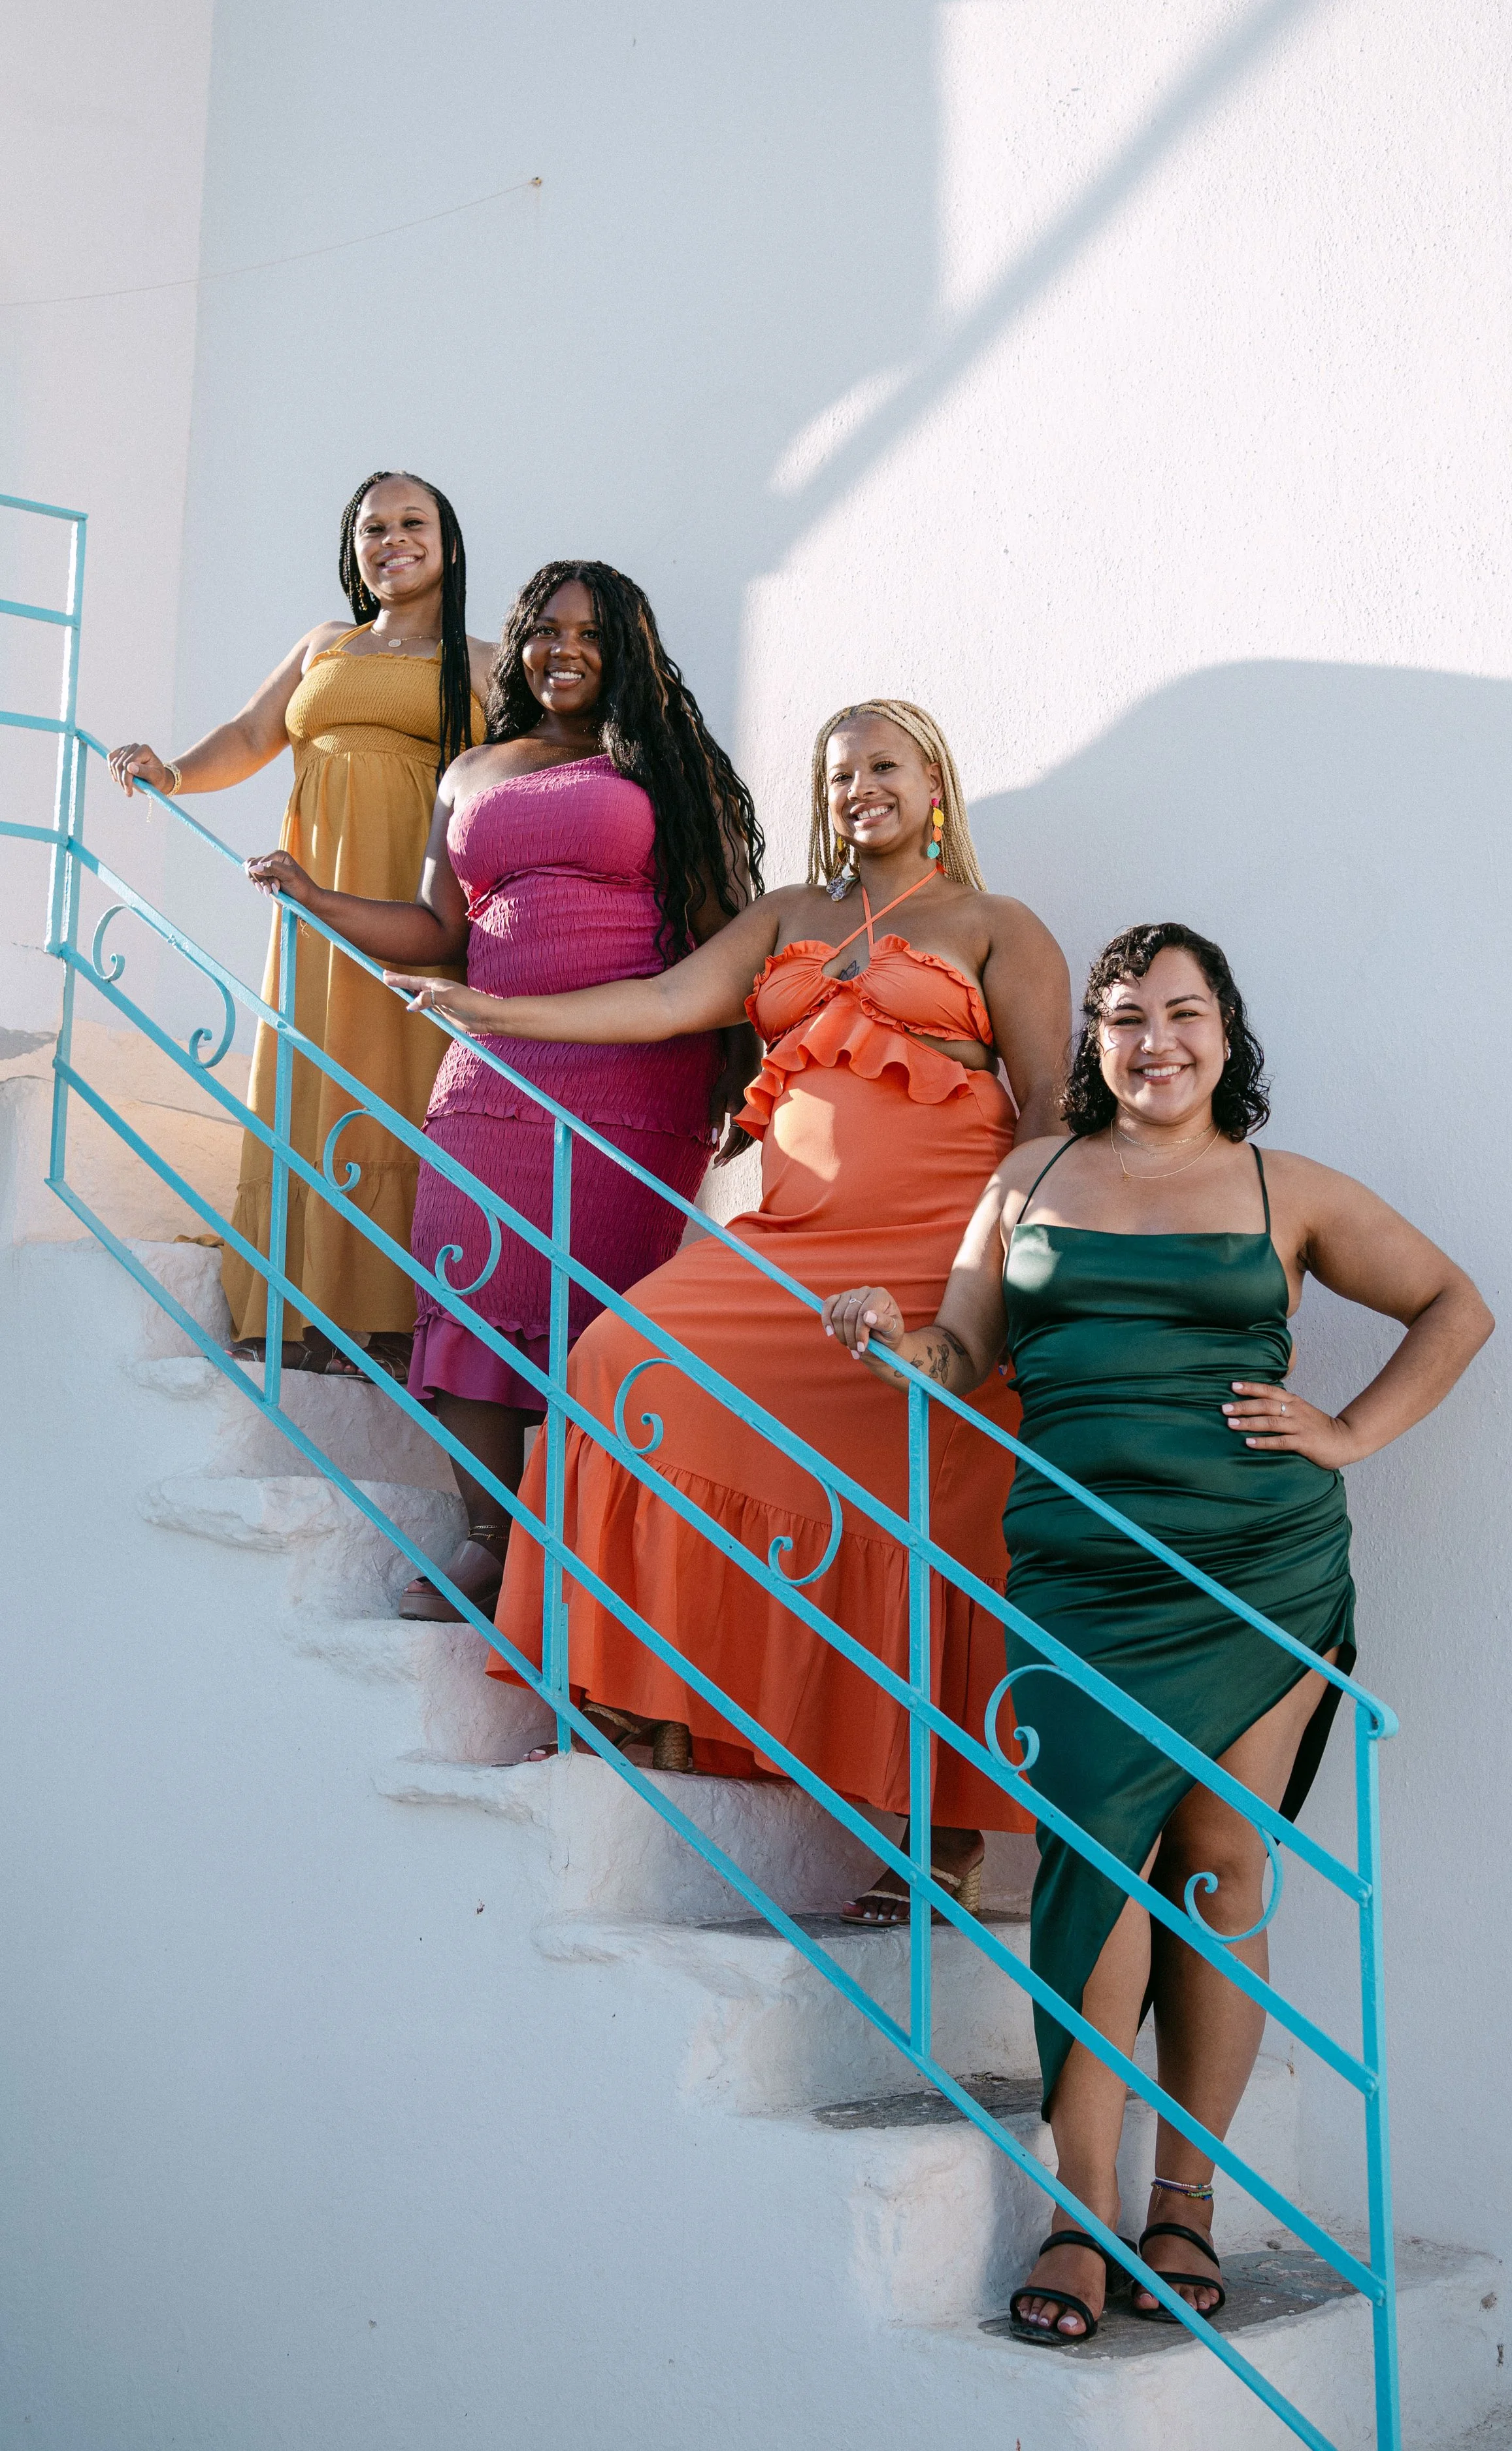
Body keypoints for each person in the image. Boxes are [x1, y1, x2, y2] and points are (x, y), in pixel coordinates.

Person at [822, 920, 1492, 2341]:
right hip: (1077, 1576)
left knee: (1219, 1857)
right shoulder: (1027, 1181)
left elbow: (1452, 1305)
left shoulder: (1281, 1188)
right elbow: (959, 1353)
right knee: (1085, 1866)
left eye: (1182, 1014)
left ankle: (1181, 2205)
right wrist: (897, 1336)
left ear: (1225, 1034)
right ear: (1096, 1042)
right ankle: (1078, 2214)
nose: (1153, 1041)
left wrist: (1349, 1432)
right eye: (1124, 1017)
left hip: (1261, 1569)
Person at [387, 700, 1074, 1899]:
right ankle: (644, 1691)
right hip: (791, 1238)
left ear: (936, 782)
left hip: (933, 1250)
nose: (862, 787)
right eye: (841, 771)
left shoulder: (996, 925)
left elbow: (1053, 1109)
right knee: (618, 1367)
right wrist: (496, 1010)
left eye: (884, 766)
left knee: (922, 1498)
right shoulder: (788, 918)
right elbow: (660, 1004)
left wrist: (1010, 1274)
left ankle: (939, 1828)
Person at [251, 561, 763, 1623]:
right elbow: (441, 931)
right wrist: (317, 895)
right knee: (461, 1266)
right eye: (543, 631)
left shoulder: (662, 766)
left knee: (593, 1303)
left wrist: (737, 1068)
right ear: (518, 645)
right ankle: (490, 1540)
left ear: (626, 650)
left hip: (635, 1071)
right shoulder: (472, 768)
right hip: (491, 1060)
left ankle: (581, 1552)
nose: (562, 650)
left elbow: (721, 927)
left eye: (589, 633)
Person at [108, 470, 493, 1378]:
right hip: (314, 898)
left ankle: (394, 1317)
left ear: (448, 543)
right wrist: (170, 772)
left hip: (416, 895)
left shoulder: (482, 661)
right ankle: (296, 1310)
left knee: (402, 1080)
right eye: (372, 528)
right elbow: (250, 734)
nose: (391, 539)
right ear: (351, 547)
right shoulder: (325, 644)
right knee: (309, 1074)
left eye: (413, 523)